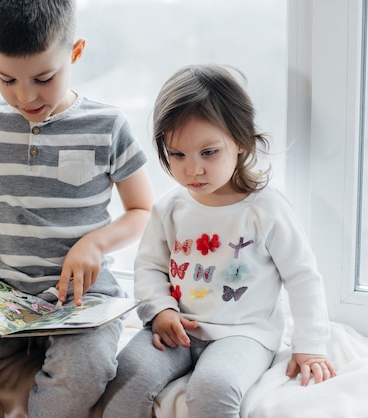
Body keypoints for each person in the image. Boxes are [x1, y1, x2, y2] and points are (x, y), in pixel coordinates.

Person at [0, 1, 153, 417]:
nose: (25, 95)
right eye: (5, 78)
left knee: (86, 368)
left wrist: (95, 244)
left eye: (44, 78)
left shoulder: (108, 125)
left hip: (80, 296)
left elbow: (141, 209)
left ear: (76, 52)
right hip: (0, 288)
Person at [100, 64, 336, 418]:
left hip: (243, 334)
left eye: (208, 153)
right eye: (177, 155)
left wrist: (311, 344)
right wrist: (161, 309)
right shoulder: (170, 208)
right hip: (177, 326)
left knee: (214, 388)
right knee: (127, 375)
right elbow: (148, 266)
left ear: (240, 141)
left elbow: (302, 276)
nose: (192, 169)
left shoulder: (265, 208)